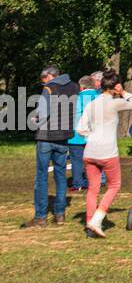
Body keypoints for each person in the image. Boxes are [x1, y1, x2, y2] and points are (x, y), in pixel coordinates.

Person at [76, 72, 132, 238]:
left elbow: (80, 129)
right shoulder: (115, 103)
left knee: (92, 189)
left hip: (90, 150)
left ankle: (90, 223)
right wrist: (123, 92)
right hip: (108, 152)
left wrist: (92, 134)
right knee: (114, 186)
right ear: (114, 87)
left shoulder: (91, 104)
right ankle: (97, 220)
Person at [22, 65, 79, 228]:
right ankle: (59, 215)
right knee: (60, 176)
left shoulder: (49, 88)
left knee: (41, 176)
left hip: (46, 137)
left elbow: (43, 112)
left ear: (49, 76)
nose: (42, 83)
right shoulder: (74, 87)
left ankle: (40, 217)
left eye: (43, 79)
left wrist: (35, 121)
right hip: (64, 137)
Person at [68, 76, 98, 193]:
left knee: (77, 160)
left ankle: (78, 183)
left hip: (77, 134)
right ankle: (95, 181)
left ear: (81, 86)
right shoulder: (100, 98)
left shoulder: (76, 99)